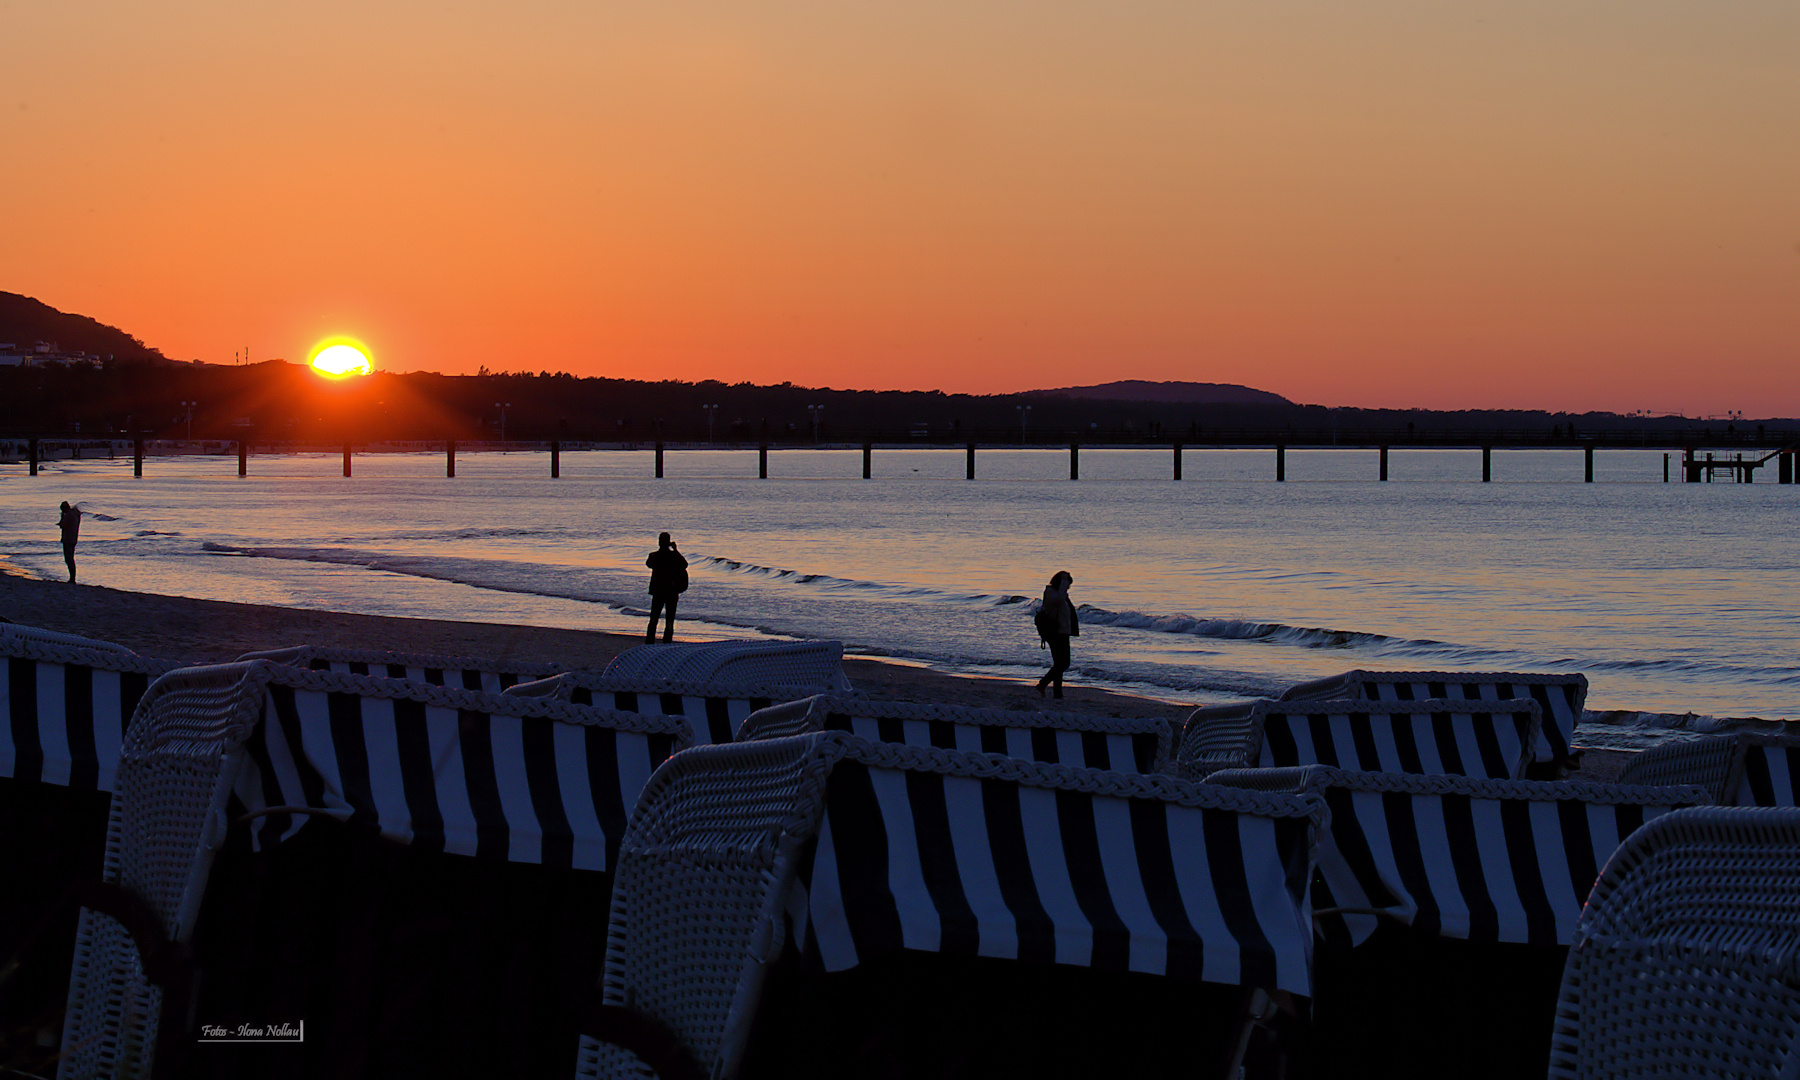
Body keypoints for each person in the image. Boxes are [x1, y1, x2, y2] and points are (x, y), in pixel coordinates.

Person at [1034, 570, 1078, 698]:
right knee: (1063, 664)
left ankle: (1057, 693)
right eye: (1067, 584)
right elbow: (1058, 600)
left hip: (1063, 632)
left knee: (1060, 663)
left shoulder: (1061, 594)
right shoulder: (1051, 593)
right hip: (1055, 632)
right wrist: (1064, 581)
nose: (1068, 587)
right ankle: (1043, 684)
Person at [644, 532, 689, 643]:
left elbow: (649, 564)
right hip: (671, 592)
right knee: (669, 620)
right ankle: (666, 643)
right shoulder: (674, 556)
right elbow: (684, 564)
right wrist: (675, 550)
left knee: (654, 619)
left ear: (659, 542)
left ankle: (649, 643)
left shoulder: (654, 556)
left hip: (658, 591)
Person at [58, 501, 81, 583]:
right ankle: (72, 577)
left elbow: (63, 525)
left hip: (68, 539)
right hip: (73, 538)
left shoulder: (69, 515)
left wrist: (62, 518)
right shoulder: (75, 515)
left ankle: (72, 578)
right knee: (71, 558)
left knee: (69, 559)